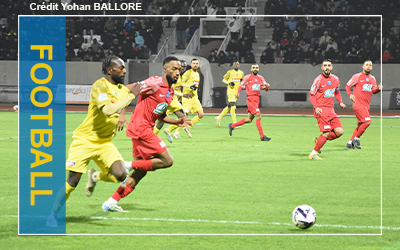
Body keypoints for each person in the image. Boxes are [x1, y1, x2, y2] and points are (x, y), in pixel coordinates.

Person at [46, 56, 141, 226]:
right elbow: (107, 110)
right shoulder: (100, 85)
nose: (124, 71)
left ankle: (95, 176)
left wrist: (123, 112)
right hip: (85, 140)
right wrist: (130, 97)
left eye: (124, 68)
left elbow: (125, 96)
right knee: (73, 181)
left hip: (105, 143)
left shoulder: (120, 88)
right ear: (110, 70)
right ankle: (53, 214)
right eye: (121, 68)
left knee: (121, 175)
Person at [101, 56, 192, 211]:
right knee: (167, 160)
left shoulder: (170, 91)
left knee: (140, 172)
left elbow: (160, 116)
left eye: (179, 69)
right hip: (141, 129)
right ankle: (125, 165)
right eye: (174, 69)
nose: (177, 72)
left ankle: (110, 202)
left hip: (143, 129)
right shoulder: (155, 83)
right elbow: (128, 90)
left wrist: (177, 122)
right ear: (165, 69)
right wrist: (121, 113)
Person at [309, 59, 346, 160]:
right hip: (321, 109)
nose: (327, 67)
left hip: (331, 110)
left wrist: (341, 102)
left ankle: (319, 141)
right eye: (325, 65)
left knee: (339, 132)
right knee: (326, 132)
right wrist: (316, 107)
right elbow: (311, 95)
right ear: (322, 68)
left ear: (332, 67)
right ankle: (313, 153)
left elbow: (337, 92)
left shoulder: (335, 79)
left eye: (329, 65)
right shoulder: (318, 80)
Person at [228, 64, 271, 141]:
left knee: (249, 119)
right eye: (254, 68)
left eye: (256, 68)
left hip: (257, 99)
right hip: (251, 99)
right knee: (258, 115)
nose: (255, 69)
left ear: (258, 69)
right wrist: (238, 92)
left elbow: (265, 88)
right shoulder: (247, 77)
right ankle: (262, 136)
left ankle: (232, 126)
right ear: (251, 69)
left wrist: (267, 86)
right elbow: (241, 85)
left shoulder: (261, 78)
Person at [345, 60, 382, 149]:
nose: (368, 66)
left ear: (372, 67)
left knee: (360, 125)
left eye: (370, 65)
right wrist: (350, 94)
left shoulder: (372, 78)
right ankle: (356, 138)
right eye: (366, 65)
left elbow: (373, 91)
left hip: (366, 105)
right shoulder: (357, 76)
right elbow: (347, 86)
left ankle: (350, 143)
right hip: (358, 104)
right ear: (363, 66)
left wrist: (379, 89)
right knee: (367, 122)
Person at [155, 60, 192, 142]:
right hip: (169, 99)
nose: (182, 70)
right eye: (181, 67)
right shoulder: (173, 77)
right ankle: (150, 137)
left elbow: (181, 85)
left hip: (174, 100)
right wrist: (183, 95)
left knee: (183, 118)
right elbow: (170, 90)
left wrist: (190, 87)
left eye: (183, 68)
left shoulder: (180, 77)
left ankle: (168, 130)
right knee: (161, 121)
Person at [177, 58, 203, 138]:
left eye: (196, 63)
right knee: (184, 116)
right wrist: (187, 89)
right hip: (187, 97)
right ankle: (175, 131)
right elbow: (181, 83)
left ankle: (188, 127)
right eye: (194, 63)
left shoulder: (197, 74)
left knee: (201, 114)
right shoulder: (188, 73)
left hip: (195, 98)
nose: (195, 65)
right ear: (191, 65)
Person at [215, 61, 245, 127]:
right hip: (230, 90)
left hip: (236, 91)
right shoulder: (230, 72)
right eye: (235, 64)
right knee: (233, 105)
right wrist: (229, 82)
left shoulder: (241, 73)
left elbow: (242, 81)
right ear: (233, 66)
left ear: (239, 66)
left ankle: (219, 117)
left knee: (229, 106)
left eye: (237, 64)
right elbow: (224, 80)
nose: (236, 65)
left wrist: (239, 91)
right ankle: (235, 123)